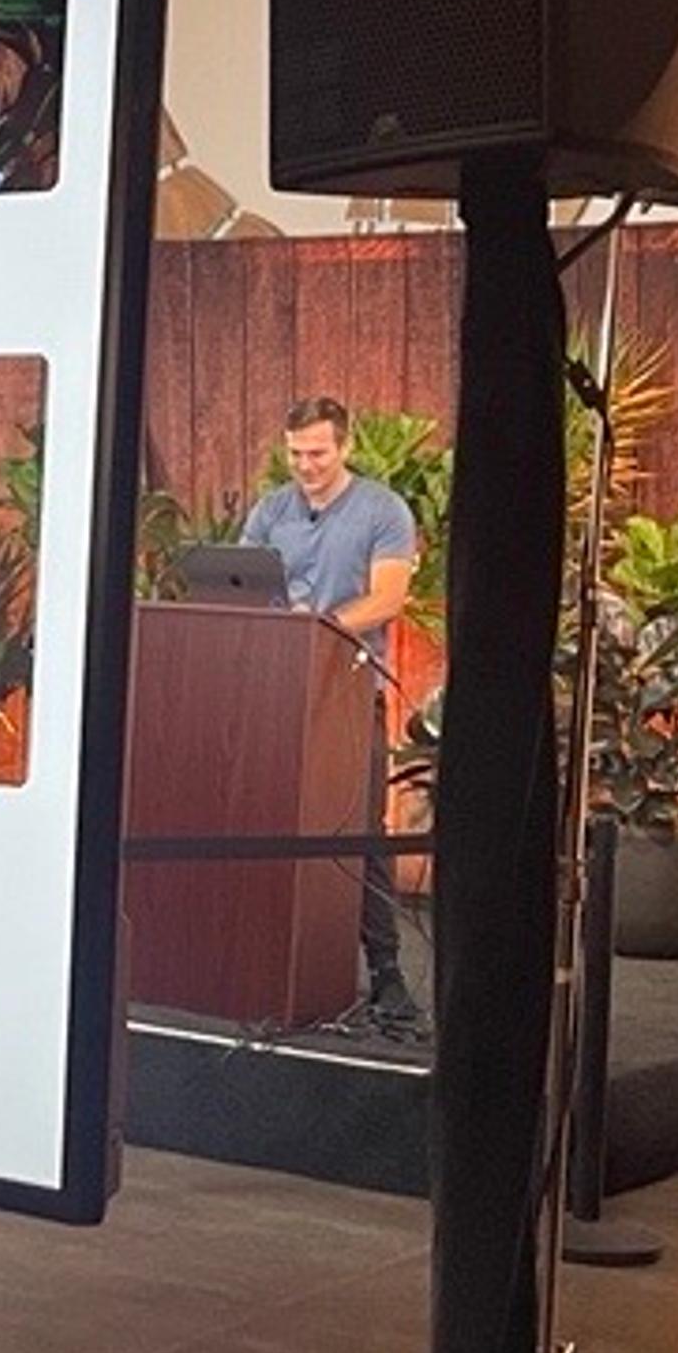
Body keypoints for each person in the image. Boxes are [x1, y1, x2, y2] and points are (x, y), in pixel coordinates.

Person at [239, 395, 425, 1036]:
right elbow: (240, 584)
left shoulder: (382, 511)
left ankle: (387, 973)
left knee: (361, 831)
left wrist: (320, 628)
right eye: (296, 454)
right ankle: (261, 966)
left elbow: (389, 597)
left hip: (349, 691)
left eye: (318, 453)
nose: (306, 465)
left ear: (344, 448)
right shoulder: (271, 511)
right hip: (274, 694)